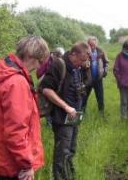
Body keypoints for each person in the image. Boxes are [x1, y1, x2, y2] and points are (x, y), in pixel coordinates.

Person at [0, 36, 49, 180]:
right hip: (14, 163)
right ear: (30, 56)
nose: (39, 66)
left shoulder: (2, 74)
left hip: (4, 156)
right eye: (40, 61)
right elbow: (16, 131)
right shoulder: (17, 83)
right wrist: (26, 165)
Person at [39, 41, 90, 180]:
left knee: (71, 149)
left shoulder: (78, 67)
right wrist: (66, 107)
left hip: (75, 115)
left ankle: (70, 175)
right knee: (62, 151)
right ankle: (60, 177)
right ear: (73, 54)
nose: (82, 63)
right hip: (62, 117)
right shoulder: (58, 65)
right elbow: (46, 89)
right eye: (81, 60)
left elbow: (82, 84)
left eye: (85, 60)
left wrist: (85, 68)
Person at [83, 36, 109, 117]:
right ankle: (82, 114)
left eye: (93, 45)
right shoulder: (84, 53)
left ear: (96, 44)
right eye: (90, 45)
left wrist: (104, 72)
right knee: (84, 98)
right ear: (88, 44)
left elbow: (106, 63)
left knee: (100, 98)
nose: (92, 47)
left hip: (98, 79)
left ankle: (101, 114)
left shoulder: (101, 51)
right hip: (88, 80)